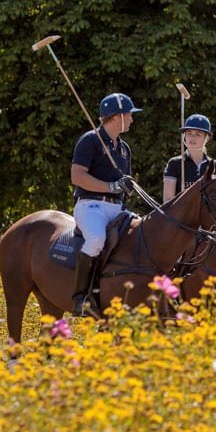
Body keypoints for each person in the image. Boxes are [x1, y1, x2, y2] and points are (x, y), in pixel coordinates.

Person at [70, 92, 142, 317]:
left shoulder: (124, 148)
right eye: (129, 115)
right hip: (91, 206)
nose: (131, 119)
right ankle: (81, 298)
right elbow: (77, 176)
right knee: (96, 239)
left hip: (117, 209)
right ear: (117, 116)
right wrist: (111, 187)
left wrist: (126, 186)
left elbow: (122, 183)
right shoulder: (90, 140)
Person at [162, 113, 216, 202]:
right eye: (189, 133)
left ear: (207, 138)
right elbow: (168, 200)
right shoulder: (175, 163)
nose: (192, 137)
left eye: (198, 134)